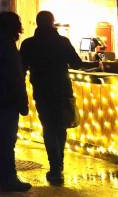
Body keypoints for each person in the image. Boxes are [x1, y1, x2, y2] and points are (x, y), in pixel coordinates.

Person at [20, 11, 82, 186]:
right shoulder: (62, 42)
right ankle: (58, 164)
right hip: (62, 89)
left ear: (37, 24)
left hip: (42, 90)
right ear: (52, 23)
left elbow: (21, 68)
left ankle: (54, 166)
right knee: (61, 126)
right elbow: (76, 63)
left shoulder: (29, 44)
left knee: (48, 127)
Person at [0, 11, 30, 192]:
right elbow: (14, 77)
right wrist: (22, 102)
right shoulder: (7, 46)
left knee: (0, 137)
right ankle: (8, 177)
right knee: (7, 139)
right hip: (7, 97)